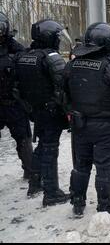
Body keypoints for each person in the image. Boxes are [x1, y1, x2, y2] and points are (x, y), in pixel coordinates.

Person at [64, 22, 110, 217]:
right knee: (104, 167)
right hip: (105, 126)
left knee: (81, 165)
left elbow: (63, 95)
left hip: (80, 124)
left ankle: (77, 202)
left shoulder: (71, 64)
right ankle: (104, 207)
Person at [15, 19, 70, 205]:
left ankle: (35, 182)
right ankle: (52, 192)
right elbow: (64, 83)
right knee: (50, 149)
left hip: (36, 109)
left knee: (42, 147)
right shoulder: (51, 57)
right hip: (52, 110)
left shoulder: (24, 56)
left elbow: (17, 87)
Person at [0, 12, 33, 181]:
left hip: (13, 102)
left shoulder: (13, 46)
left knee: (24, 139)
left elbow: (26, 64)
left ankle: (30, 171)